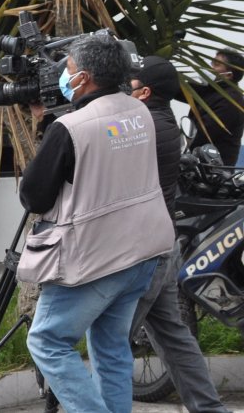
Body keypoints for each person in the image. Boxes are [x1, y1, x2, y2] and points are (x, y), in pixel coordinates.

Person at [17, 34, 174, 413]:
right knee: (110, 345)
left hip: (94, 258)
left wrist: (49, 130)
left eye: (67, 69)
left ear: (84, 77)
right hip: (144, 252)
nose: (63, 76)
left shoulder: (70, 128)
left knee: (46, 341)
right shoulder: (141, 112)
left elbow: (34, 196)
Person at [128, 56, 230, 413]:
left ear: (144, 92)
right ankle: (209, 407)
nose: (127, 88)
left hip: (143, 247)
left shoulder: (145, 127)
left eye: (132, 83)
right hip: (162, 241)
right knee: (171, 332)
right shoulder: (161, 121)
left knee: (110, 338)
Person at [188, 48, 244, 165]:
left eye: (216, 65)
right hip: (198, 163)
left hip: (213, 172)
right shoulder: (212, 89)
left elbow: (201, 134)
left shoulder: (231, 101)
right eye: (212, 63)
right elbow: (178, 90)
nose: (210, 67)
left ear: (228, 75)